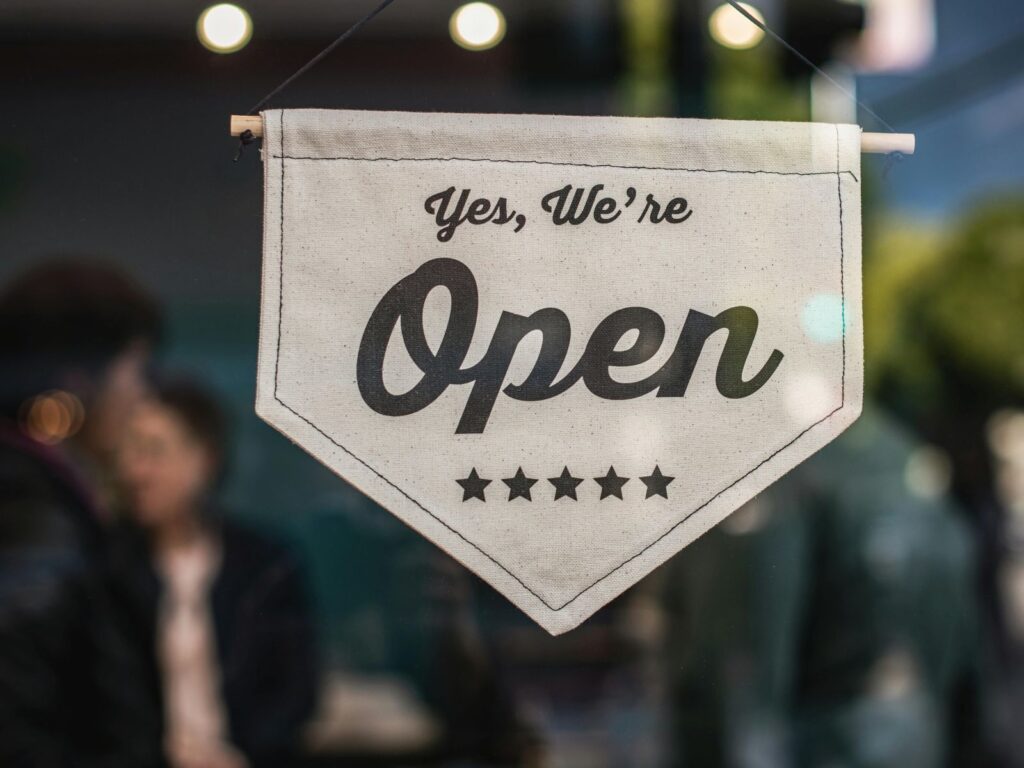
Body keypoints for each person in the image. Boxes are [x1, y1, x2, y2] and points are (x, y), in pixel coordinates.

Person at [0, 260, 166, 766]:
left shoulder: (39, 492)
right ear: (80, 380)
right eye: (134, 371)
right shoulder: (31, 516)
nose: (141, 396)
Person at [109, 375, 318, 768]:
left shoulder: (266, 564)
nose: (136, 472)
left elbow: (296, 691)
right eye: (129, 452)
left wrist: (239, 757)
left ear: (203, 458)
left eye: (154, 451)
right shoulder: (110, 566)